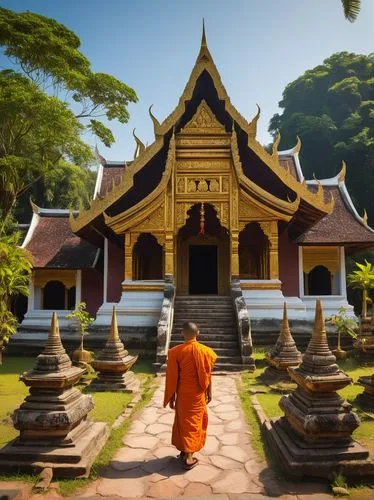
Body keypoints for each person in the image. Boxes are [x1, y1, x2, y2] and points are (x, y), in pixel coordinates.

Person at [163, 321, 217, 469]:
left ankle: (186, 452)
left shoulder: (175, 351)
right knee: (194, 424)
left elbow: (172, 377)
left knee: (183, 422)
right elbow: (208, 374)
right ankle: (188, 456)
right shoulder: (207, 352)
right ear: (197, 333)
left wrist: (172, 397)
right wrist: (209, 392)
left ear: (182, 334)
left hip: (183, 394)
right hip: (198, 394)